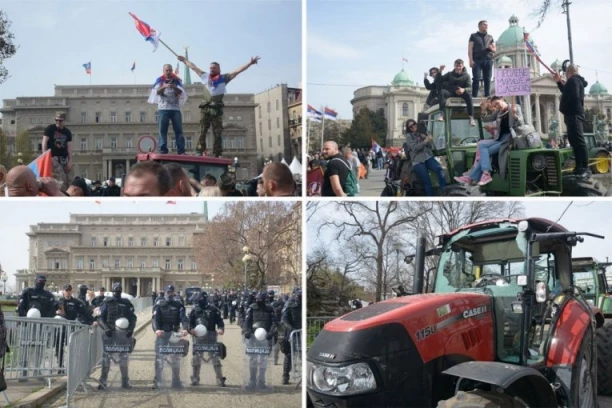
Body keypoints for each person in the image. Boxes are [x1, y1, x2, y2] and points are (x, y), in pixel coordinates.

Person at [178, 55, 260, 157]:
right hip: (206, 107)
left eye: (214, 68)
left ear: (219, 69)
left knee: (217, 131)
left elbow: (237, 71)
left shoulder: (224, 78)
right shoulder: (205, 76)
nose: (212, 70)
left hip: (216, 108)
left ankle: (217, 152)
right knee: (202, 130)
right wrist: (184, 60)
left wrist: (249, 63)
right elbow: (194, 67)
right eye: (211, 68)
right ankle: (200, 150)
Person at [455, 96, 524, 186]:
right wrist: (483, 110)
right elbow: (485, 119)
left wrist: (514, 115)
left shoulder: (515, 107)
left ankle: (473, 177)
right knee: (482, 145)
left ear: (502, 100)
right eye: (494, 105)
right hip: (500, 138)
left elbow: (521, 123)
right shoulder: (499, 112)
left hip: (510, 139)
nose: (497, 106)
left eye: (497, 103)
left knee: (486, 153)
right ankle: (485, 173)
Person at [17, 275, 58, 380]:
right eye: (39, 281)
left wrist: (46, 320)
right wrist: (23, 320)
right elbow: (21, 307)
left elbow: (52, 309)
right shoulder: (28, 292)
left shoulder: (48, 295)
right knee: (24, 348)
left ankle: (36, 370)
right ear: (35, 281)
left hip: (41, 326)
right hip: (27, 325)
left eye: (43, 281)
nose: (41, 282)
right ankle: (23, 372)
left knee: (39, 349)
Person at [97, 283, 137, 390]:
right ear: (112, 291)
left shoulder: (126, 303)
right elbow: (100, 318)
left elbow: (133, 318)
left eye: (119, 291)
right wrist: (105, 328)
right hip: (109, 333)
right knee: (106, 358)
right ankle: (103, 381)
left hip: (123, 335)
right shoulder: (107, 302)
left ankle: (125, 382)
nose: (117, 293)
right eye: (115, 291)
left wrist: (130, 330)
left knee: (123, 358)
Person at [553, 64, 589, 178]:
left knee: (579, 141)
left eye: (565, 73)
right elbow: (566, 91)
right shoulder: (574, 81)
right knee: (574, 142)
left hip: (574, 114)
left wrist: (563, 107)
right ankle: (579, 167)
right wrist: (559, 82)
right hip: (572, 114)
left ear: (569, 72)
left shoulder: (573, 80)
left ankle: (584, 168)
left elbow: (574, 96)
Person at [152, 285, 189, 389]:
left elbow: (184, 318)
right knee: (159, 357)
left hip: (174, 334)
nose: (169, 294)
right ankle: (157, 380)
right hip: (162, 334)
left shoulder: (178, 305)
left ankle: (176, 381)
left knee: (176, 357)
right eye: (168, 292)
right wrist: (157, 329)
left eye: (171, 292)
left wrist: (185, 328)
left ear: (173, 293)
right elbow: (155, 319)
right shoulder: (159, 304)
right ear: (165, 293)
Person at [147, 64, 187, 155]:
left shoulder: (176, 81)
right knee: (162, 130)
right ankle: (163, 149)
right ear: (163, 71)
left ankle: (181, 150)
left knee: (178, 130)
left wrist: (173, 86)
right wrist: (164, 86)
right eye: (166, 70)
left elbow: (181, 92)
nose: (168, 72)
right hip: (163, 109)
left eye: (170, 70)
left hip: (175, 109)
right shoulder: (160, 80)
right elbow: (156, 92)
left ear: (172, 71)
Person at [188, 292, 226, 387]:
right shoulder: (194, 310)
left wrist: (221, 329)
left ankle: (219, 378)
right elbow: (189, 323)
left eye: (201, 299)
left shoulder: (213, 310)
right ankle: (195, 377)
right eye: (198, 299)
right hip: (198, 338)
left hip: (211, 337)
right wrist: (190, 330)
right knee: (197, 358)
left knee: (215, 358)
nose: (200, 301)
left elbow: (220, 321)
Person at [243, 292, 277, 390]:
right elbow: (246, 322)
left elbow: (274, 323)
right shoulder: (251, 308)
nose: (259, 302)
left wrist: (271, 332)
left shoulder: (270, 309)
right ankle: (252, 381)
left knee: (263, 360)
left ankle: (261, 381)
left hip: (265, 339)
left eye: (261, 300)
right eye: (258, 300)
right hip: (253, 338)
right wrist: (247, 331)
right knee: (253, 360)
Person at [404, 119, 447, 196]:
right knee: (427, 181)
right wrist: (425, 141)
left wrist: (429, 140)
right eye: (411, 126)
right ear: (409, 128)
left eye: (414, 124)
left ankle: (444, 191)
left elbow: (430, 146)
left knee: (440, 169)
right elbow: (415, 148)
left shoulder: (421, 134)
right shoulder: (408, 136)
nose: (413, 126)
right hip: (417, 160)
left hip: (427, 157)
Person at [56, 284, 94, 369]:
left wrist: (92, 321)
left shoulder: (76, 302)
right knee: (59, 346)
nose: (68, 292)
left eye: (69, 290)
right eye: (66, 290)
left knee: (73, 346)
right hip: (61, 328)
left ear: (72, 291)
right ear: (63, 291)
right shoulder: (59, 302)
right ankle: (60, 366)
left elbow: (85, 312)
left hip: (72, 328)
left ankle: (72, 366)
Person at [437, 59, 476, 126]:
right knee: (442, 92)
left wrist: (464, 90)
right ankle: (442, 114)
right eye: (456, 66)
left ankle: (471, 117)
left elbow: (470, 88)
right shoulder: (449, 74)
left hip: (462, 93)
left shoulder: (466, 76)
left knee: (469, 95)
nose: (458, 68)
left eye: (460, 66)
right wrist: (440, 71)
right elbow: (439, 80)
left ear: (463, 66)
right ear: (454, 66)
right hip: (451, 92)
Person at [42, 112, 73, 191]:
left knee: (69, 179)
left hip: (64, 158)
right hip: (53, 157)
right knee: (61, 179)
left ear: (64, 121)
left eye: (60, 121)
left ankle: (68, 195)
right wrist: (46, 156)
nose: (58, 122)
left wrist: (70, 161)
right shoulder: (50, 129)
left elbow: (69, 147)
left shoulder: (67, 132)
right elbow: (44, 142)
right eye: (56, 120)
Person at [468, 20, 496, 98]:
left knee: (487, 79)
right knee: (476, 78)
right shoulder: (473, 36)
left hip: (488, 60)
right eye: (484, 25)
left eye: (487, 25)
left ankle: (487, 96)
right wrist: (471, 60)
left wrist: (492, 49)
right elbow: (470, 49)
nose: (486, 26)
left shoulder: (490, 37)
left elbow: (495, 49)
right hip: (477, 60)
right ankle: (474, 96)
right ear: (479, 26)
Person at [280, 288, 301, 385]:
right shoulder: (289, 303)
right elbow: (284, 319)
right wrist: (291, 329)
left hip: (301, 332)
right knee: (289, 355)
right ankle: (285, 376)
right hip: (292, 333)